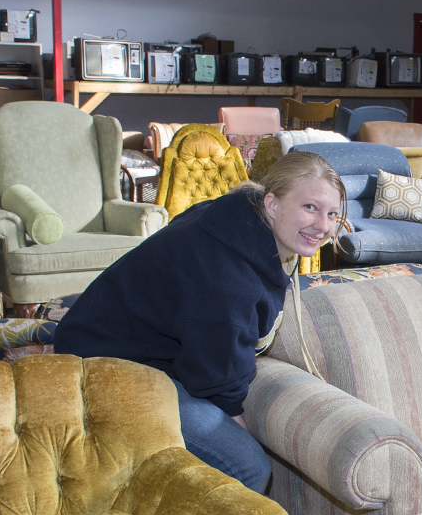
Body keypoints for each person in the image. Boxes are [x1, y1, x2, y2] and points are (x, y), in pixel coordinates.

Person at [55, 151, 345, 493]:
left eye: (332, 214)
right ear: (272, 204)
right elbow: (217, 379)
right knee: (248, 467)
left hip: (144, 347)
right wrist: (240, 433)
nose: (323, 226)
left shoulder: (242, 221)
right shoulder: (226, 275)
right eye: (310, 207)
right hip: (102, 362)